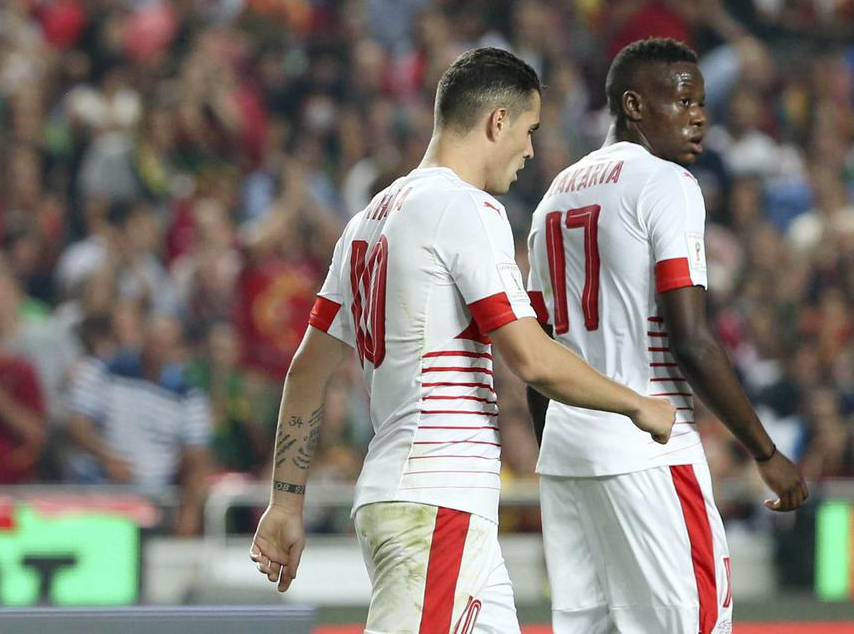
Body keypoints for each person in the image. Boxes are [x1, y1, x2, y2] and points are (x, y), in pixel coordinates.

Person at [248, 47, 677, 634]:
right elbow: (529, 355)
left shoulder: (366, 221)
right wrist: (635, 402)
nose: (530, 151)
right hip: (435, 500)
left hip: (416, 498)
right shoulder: (465, 208)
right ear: (497, 122)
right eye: (528, 132)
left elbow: (306, 371)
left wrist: (286, 501)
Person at [525, 37, 808, 634]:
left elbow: (538, 352)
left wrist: (559, 445)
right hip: (649, 444)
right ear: (634, 105)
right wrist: (766, 452)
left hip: (567, 457)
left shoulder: (552, 199)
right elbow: (692, 341)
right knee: (695, 624)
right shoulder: (667, 183)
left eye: (701, 102)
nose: (699, 114)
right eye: (683, 100)